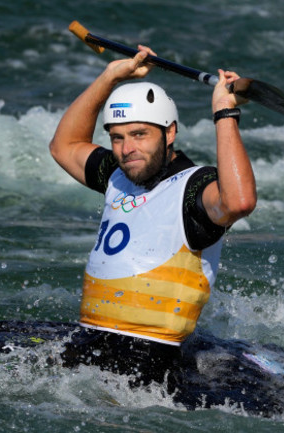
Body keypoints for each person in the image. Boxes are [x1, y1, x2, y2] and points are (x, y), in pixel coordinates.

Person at [49, 45, 256, 385]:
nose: (127, 149)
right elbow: (65, 146)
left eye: (139, 135)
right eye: (117, 138)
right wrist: (110, 76)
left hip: (151, 361)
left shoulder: (194, 188)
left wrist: (224, 113)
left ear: (170, 132)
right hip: (93, 342)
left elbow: (239, 202)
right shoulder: (119, 175)